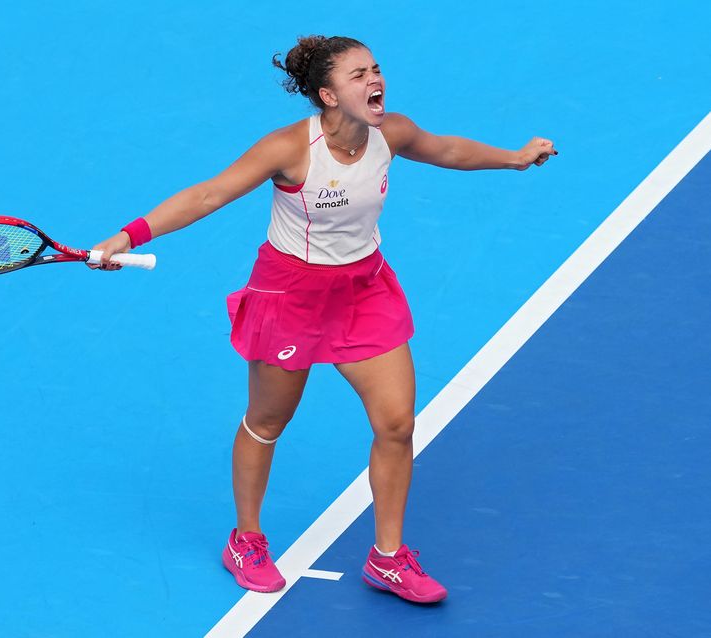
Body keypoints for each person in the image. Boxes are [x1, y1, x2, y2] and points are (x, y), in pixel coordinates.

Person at [90, 34, 557, 604]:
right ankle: (245, 540)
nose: (374, 80)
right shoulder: (290, 149)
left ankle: (387, 558)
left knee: (396, 424)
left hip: (364, 290)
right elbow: (209, 195)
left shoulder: (392, 133)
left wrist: (514, 157)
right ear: (328, 95)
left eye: (375, 69)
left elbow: (447, 150)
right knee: (267, 421)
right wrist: (126, 237)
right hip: (290, 295)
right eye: (358, 75)